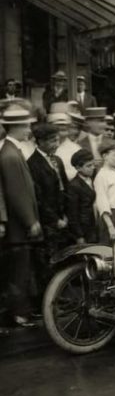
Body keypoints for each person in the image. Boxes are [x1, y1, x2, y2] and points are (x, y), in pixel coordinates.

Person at [0, 107, 41, 327]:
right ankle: (18, 313)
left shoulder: (10, 151)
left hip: (17, 225)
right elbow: (16, 193)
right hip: (18, 227)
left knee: (21, 268)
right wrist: (30, 220)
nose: (28, 129)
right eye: (25, 125)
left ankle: (20, 311)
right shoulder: (10, 154)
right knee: (19, 270)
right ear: (15, 127)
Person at [28, 123, 69, 292]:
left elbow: (64, 188)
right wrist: (55, 219)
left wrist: (65, 215)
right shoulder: (33, 164)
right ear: (40, 142)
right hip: (47, 222)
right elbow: (38, 198)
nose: (56, 144)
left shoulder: (57, 160)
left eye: (57, 140)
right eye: (52, 141)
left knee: (62, 258)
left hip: (62, 218)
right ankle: (47, 299)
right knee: (47, 262)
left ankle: (61, 296)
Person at [94, 139, 115, 243]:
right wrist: (110, 226)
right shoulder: (101, 176)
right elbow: (102, 202)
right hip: (112, 216)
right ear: (105, 156)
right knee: (110, 247)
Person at [67, 149, 97, 244]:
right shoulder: (74, 186)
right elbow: (72, 214)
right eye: (88, 166)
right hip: (85, 229)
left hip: (95, 226)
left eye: (93, 164)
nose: (93, 167)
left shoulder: (93, 178)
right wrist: (79, 236)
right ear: (78, 168)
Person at [49, 113, 81, 181]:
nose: (63, 127)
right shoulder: (42, 147)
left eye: (66, 125)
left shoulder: (76, 149)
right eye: (58, 125)